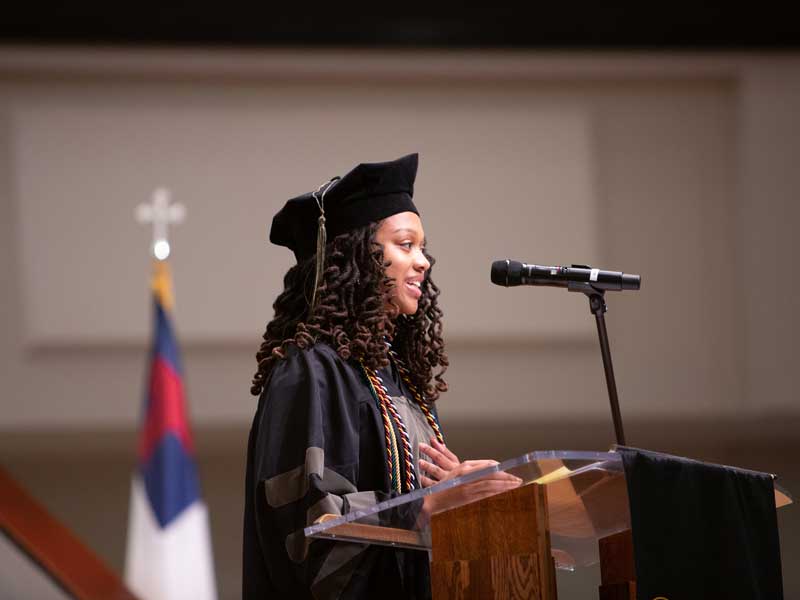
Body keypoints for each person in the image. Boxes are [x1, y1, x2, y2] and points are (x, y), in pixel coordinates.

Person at [243, 153, 519, 599]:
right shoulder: (310, 372)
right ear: (357, 256)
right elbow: (307, 533)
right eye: (405, 245)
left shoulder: (399, 379)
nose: (423, 261)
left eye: (422, 247)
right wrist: (427, 507)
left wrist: (455, 493)